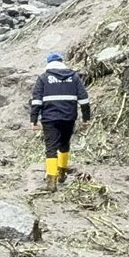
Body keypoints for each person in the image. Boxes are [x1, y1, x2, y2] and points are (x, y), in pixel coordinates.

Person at [29, 52, 91, 193]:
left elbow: (36, 101)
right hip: (69, 117)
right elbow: (84, 99)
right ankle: (62, 173)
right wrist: (86, 118)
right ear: (62, 62)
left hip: (49, 119)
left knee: (51, 148)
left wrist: (34, 120)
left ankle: (51, 182)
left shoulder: (43, 78)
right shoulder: (74, 77)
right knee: (64, 144)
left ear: (48, 63)